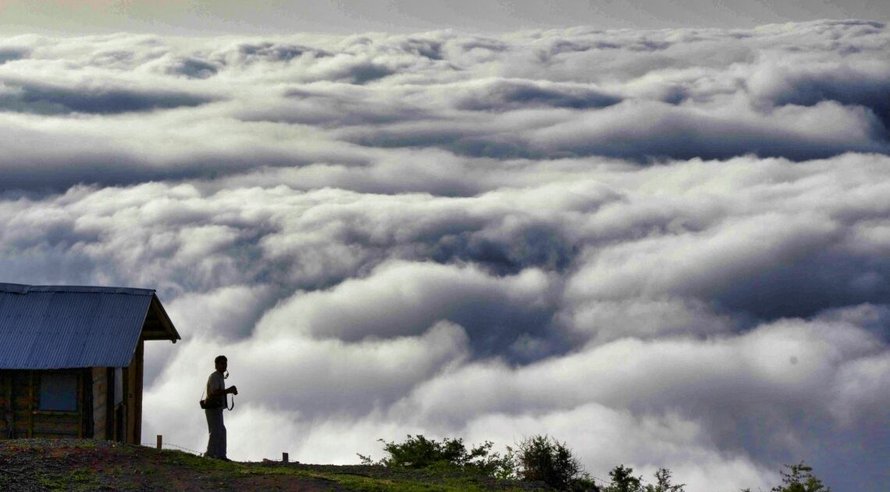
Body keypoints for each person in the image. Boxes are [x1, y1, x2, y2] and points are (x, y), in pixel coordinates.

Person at [205, 354, 238, 460]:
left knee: (221, 431)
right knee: (215, 431)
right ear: (216, 365)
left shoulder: (219, 376)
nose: (224, 366)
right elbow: (214, 392)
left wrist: (228, 391)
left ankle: (220, 455)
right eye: (222, 363)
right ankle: (210, 454)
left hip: (217, 408)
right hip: (213, 407)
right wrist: (229, 390)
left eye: (225, 364)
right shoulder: (214, 376)